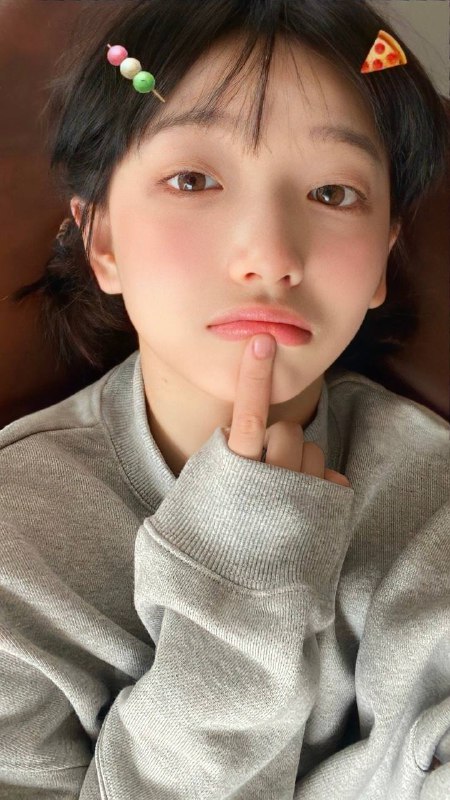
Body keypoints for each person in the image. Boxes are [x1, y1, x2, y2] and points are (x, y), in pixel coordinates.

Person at [1, 0, 449, 797]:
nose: (270, 255)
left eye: (334, 193)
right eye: (193, 180)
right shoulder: (16, 541)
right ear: (101, 238)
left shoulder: (434, 498)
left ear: (384, 255)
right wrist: (243, 580)